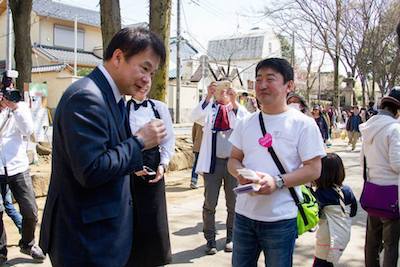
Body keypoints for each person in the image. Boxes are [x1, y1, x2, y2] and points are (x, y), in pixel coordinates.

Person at [39, 27, 167, 267]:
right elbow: (91, 169)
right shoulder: (86, 97)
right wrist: (139, 141)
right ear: (118, 57)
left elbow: (112, 154)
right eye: (144, 68)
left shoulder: (113, 97)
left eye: (152, 72)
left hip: (103, 234)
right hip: (86, 241)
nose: (148, 79)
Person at [227, 58, 326, 266]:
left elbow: (314, 169)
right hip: (244, 216)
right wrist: (241, 174)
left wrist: (277, 181)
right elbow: (233, 160)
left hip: (280, 219)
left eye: (270, 79)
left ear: (289, 85)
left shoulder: (303, 124)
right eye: (258, 79)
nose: (262, 85)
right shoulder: (246, 122)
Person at [191, 81, 249, 255]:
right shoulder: (210, 109)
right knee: (210, 202)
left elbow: (246, 122)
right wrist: (207, 96)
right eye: (219, 91)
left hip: (233, 164)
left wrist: (235, 100)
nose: (223, 93)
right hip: (212, 164)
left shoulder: (236, 110)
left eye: (226, 90)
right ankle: (210, 240)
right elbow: (195, 116)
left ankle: (231, 237)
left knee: (233, 203)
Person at [126, 81, 175, 266]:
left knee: (155, 214)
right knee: (132, 214)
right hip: (131, 164)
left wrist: (163, 164)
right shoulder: (123, 108)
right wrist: (132, 165)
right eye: (138, 84)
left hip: (154, 164)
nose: (143, 87)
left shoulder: (159, 107)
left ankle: (157, 259)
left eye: (147, 83)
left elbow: (169, 138)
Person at [0, 75, 45, 264]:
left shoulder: (20, 107)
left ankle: (27, 243)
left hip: (18, 166)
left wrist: (15, 108)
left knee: (31, 210)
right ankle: (1, 251)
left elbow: (28, 130)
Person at [359, 87, 400, 267]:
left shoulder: (369, 128)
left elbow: (362, 162)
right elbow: (397, 164)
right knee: (390, 245)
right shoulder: (394, 129)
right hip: (392, 194)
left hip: (372, 191)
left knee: (372, 242)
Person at [313, 153, 357, 267]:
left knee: (321, 262)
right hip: (343, 233)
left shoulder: (321, 193)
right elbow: (353, 211)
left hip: (328, 235)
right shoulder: (347, 190)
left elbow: (314, 214)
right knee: (330, 261)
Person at [190, 121, 203, 189]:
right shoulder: (212, 118)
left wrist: (195, 143)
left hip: (197, 146)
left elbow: (193, 133)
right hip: (207, 148)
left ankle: (193, 181)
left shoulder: (197, 120)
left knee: (196, 164)